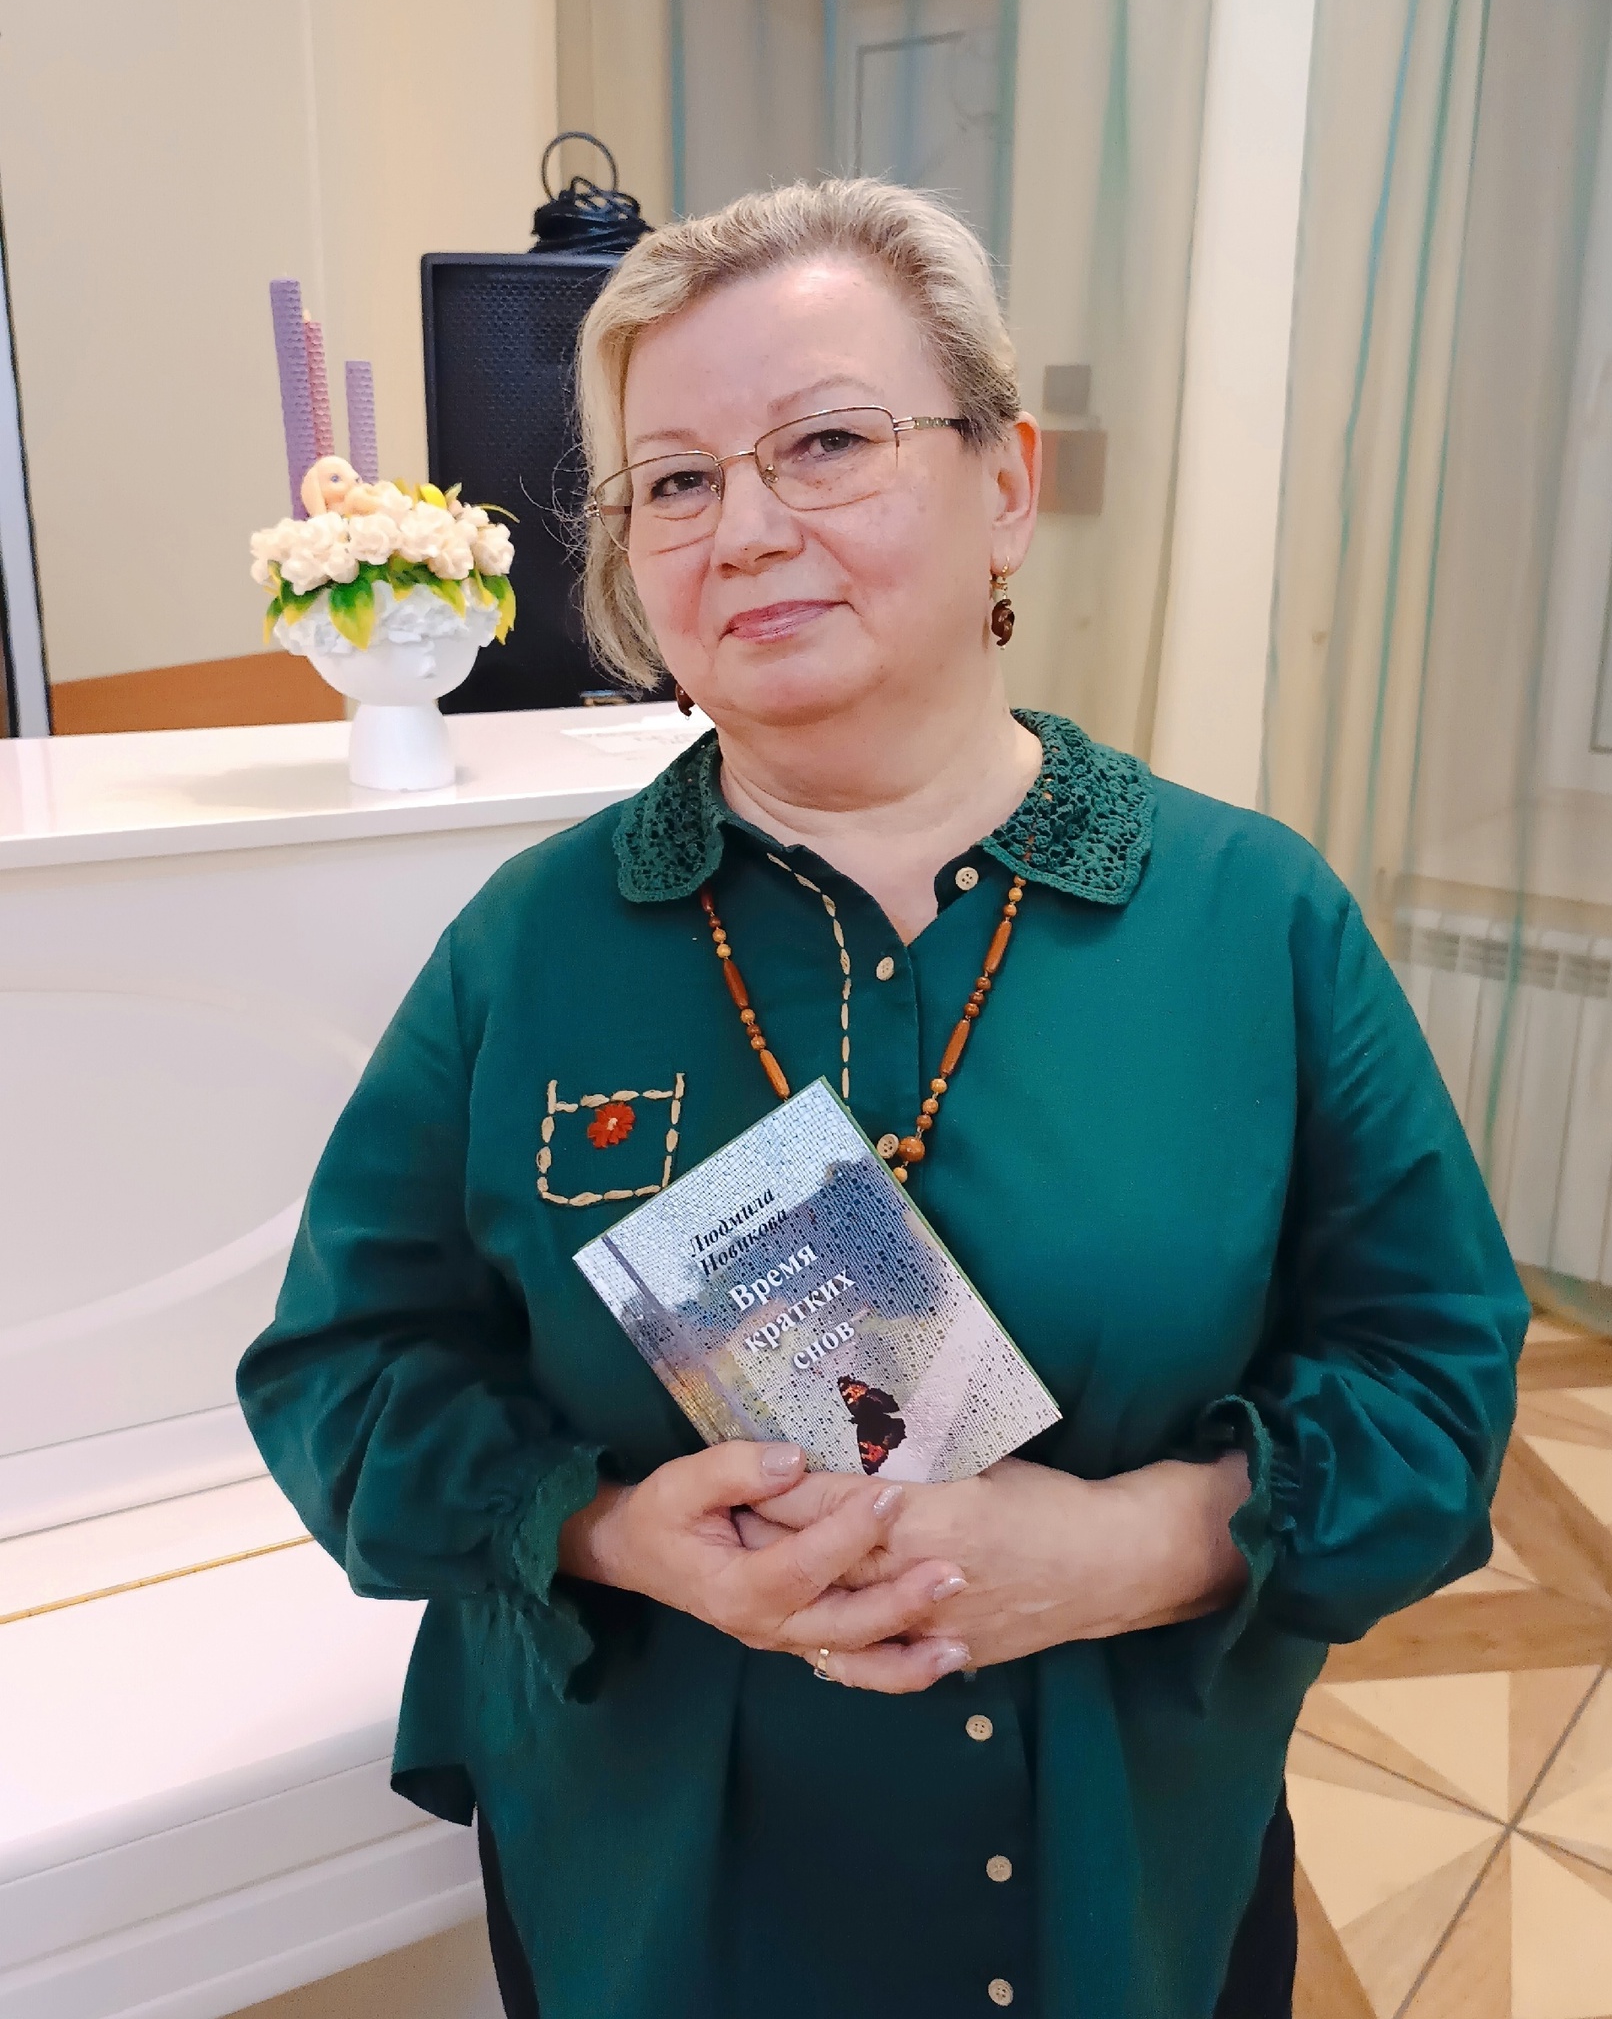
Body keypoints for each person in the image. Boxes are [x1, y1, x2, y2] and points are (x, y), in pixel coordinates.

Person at [238, 178, 1526, 2019]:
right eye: (677, 481)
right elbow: (342, 1374)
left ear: (1005, 483)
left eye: (827, 443)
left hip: (1122, 1886)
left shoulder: (1252, 921)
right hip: (654, 1900)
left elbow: (1434, 1383)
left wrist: (1135, 1545)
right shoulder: (533, 947)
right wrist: (605, 1531)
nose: (746, 528)